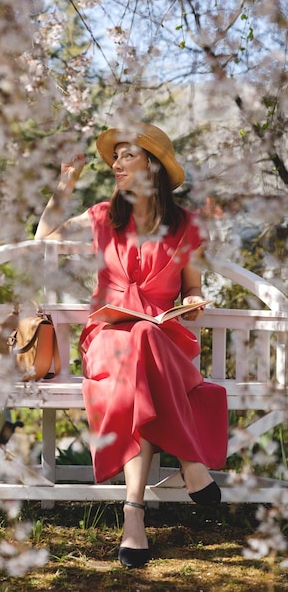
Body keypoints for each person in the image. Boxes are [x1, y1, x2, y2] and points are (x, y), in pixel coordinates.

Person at [35, 123, 228, 568]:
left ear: (153, 165)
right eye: (115, 158)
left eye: (127, 156)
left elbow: (191, 289)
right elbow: (45, 235)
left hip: (162, 341)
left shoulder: (187, 227)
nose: (116, 165)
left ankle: (132, 516)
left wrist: (194, 301)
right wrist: (66, 182)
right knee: (137, 341)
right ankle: (190, 461)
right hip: (107, 338)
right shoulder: (104, 215)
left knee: (145, 338)